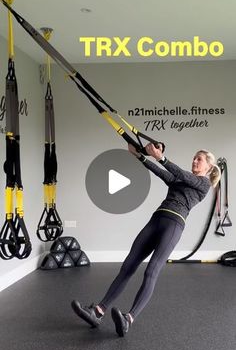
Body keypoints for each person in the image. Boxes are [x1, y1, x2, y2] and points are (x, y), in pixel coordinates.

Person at [71, 143, 221, 337]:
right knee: (128, 266)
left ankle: (129, 319)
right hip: (156, 219)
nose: (194, 160)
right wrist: (140, 157)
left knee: (151, 271)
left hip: (174, 225)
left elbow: (181, 174)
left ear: (208, 166)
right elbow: (162, 173)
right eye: (194, 157)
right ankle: (98, 311)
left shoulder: (204, 184)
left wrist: (160, 157)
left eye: (199, 159)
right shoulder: (182, 179)